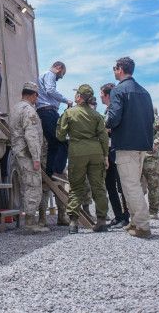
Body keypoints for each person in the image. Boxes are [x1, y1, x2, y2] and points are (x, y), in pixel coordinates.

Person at [105, 57, 154, 239]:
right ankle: (134, 220)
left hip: (126, 143)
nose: (114, 71)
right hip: (142, 144)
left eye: (114, 68)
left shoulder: (118, 90)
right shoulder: (144, 92)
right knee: (132, 184)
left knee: (130, 186)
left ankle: (142, 225)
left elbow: (114, 117)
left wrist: (107, 124)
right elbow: (151, 120)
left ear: (120, 69)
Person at [56, 84, 109, 234]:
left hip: (77, 152)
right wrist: (105, 155)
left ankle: (73, 222)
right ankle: (101, 222)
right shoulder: (96, 115)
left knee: (76, 187)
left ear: (79, 96)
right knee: (98, 187)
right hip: (96, 152)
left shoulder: (69, 113)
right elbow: (103, 137)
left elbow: (60, 135)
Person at [7, 82, 49, 234]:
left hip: (18, 153)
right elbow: (31, 135)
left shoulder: (15, 109)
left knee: (25, 186)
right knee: (33, 186)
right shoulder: (29, 110)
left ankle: (28, 220)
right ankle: (30, 224)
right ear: (34, 95)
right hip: (27, 154)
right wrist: (36, 158)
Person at [35, 62, 72, 180]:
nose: (60, 77)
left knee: (53, 144)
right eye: (62, 74)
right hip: (48, 112)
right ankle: (58, 171)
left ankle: (50, 172)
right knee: (61, 141)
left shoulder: (44, 76)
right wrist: (66, 100)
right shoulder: (50, 74)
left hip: (46, 112)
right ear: (59, 68)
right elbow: (50, 90)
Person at [100, 83, 129, 228]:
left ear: (106, 94)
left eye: (101, 93)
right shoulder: (107, 110)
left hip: (116, 150)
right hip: (108, 152)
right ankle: (118, 216)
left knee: (122, 186)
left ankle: (126, 216)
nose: (100, 96)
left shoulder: (116, 109)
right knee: (110, 186)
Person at [142, 113, 159, 219]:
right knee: (134, 184)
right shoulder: (129, 112)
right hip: (134, 154)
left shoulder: (152, 116)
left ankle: (153, 210)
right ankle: (137, 212)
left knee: (153, 183)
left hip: (150, 154)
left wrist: (156, 142)